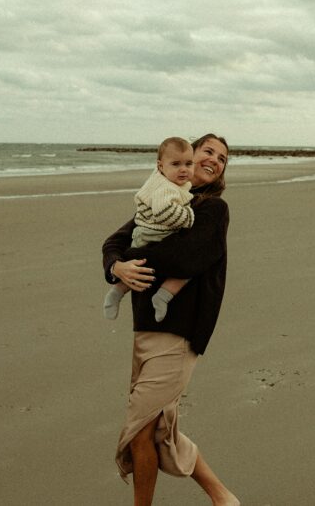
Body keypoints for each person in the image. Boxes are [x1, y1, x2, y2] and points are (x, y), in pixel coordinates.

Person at [102, 134, 240, 506]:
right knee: (162, 430)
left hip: (177, 334)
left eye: (223, 158)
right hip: (145, 328)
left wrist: (133, 257)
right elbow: (114, 241)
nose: (215, 160)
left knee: (139, 430)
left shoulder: (212, 210)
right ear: (188, 157)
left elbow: (187, 258)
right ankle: (223, 497)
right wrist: (117, 266)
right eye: (208, 152)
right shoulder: (161, 198)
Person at [103, 136, 197, 323]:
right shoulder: (166, 188)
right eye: (176, 164)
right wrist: (189, 216)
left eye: (188, 163)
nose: (184, 169)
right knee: (190, 266)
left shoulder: (159, 180)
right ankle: (163, 295)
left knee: (143, 269)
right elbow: (164, 213)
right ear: (160, 167)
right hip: (155, 235)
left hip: (145, 234)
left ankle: (117, 291)